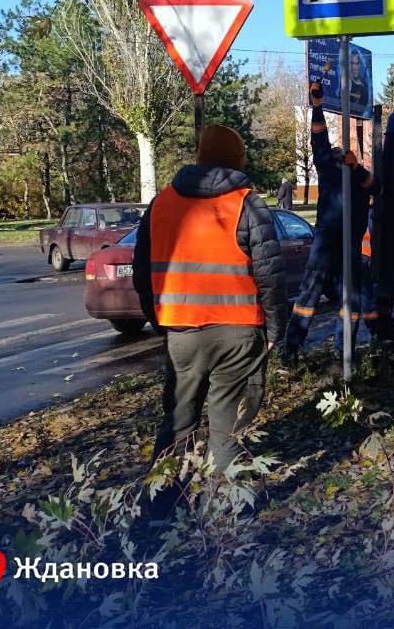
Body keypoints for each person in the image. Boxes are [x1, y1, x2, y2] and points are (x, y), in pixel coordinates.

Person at [132, 124, 287, 513]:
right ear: (238, 160)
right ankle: (226, 511)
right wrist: (274, 328)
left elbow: (141, 273)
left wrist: (162, 322)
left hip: (181, 333)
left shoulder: (161, 203)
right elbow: (270, 274)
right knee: (227, 429)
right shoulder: (247, 204)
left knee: (177, 423)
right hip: (237, 335)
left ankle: (160, 507)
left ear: (200, 156)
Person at [279, 82, 378, 363]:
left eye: (341, 156)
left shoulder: (357, 177)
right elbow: (318, 142)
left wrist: (357, 168)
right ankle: (292, 350)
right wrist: (317, 108)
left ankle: (343, 352)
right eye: (336, 156)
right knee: (309, 296)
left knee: (352, 301)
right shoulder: (329, 173)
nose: (338, 157)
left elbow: (376, 186)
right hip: (326, 243)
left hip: (350, 244)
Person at [360, 198, 394, 346]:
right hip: (367, 257)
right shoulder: (366, 210)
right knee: (371, 295)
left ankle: (384, 331)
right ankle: (380, 332)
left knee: (383, 294)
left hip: (373, 255)